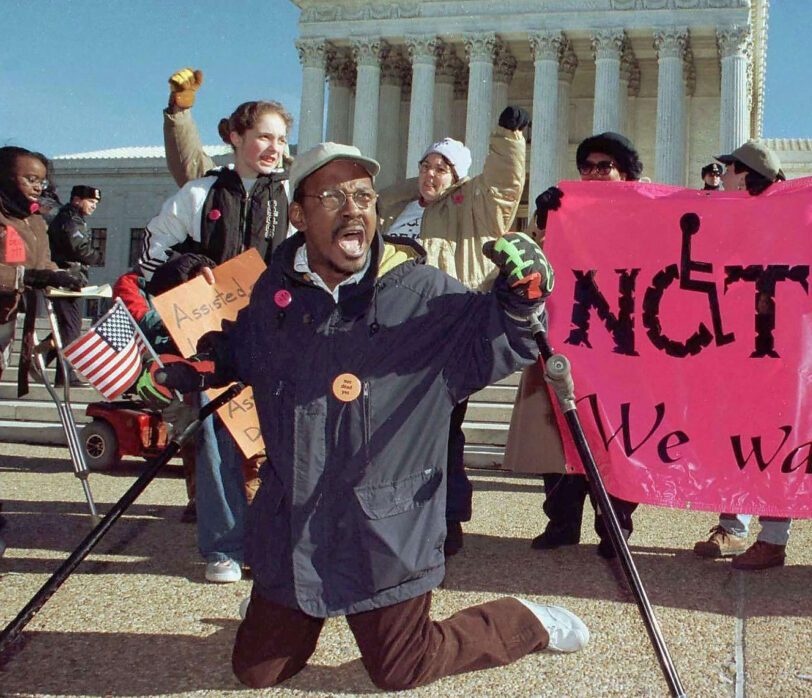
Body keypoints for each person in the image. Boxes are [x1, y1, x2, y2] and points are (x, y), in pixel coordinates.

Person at [156, 142, 587, 691]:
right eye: (332, 195)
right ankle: (288, 607)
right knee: (257, 672)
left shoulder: (420, 293)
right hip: (295, 528)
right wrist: (207, 362)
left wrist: (523, 301)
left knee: (401, 669)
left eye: (362, 194)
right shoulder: (273, 293)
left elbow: (499, 336)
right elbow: (248, 344)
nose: (353, 206)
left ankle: (526, 621)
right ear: (299, 213)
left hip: (384, 533)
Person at [140, 96, 294, 584]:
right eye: (264, 137)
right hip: (210, 337)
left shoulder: (295, 195)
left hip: (279, 334)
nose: (274, 148)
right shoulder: (198, 194)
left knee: (283, 439)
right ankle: (224, 547)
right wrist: (180, 266)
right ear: (236, 137)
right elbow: (151, 252)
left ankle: (275, 542)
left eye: (282, 139)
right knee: (215, 437)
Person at [373, 107, 530, 556]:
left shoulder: (472, 208)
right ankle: (394, 515)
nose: (430, 174)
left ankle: (447, 519)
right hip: (386, 335)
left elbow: (502, 186)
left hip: (440, 330)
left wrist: (508, 137)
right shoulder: (393, 206)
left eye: (441, 168)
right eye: (425, 165)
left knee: (442, 431)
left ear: (457, 177)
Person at [506, 132, 643, 559]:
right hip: (568, 338)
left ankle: (614, 525)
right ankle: (562, 521)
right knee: (559, 433)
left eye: (605, 166)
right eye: (587, 166)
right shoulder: (563, 212)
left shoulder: (646, 213)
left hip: (622, 344)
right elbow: (537, 263)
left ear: (624, 173)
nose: (595, 174)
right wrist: (544, 219)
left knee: (615, 436)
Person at [690, 141, 796, 568]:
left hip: (774, 351)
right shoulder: (724, 216)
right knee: (735, 440)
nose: (721, 174)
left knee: (771, 441)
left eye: (728, 167)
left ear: (745, 173)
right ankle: (734, 527)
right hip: (731, 346)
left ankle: (773, 536)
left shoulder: (786, 218)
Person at [0, 146, 86, 558]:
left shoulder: (34, 220)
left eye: (40, 179)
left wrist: (57, 274)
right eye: (27, 178)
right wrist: (27, 275)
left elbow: (43, 260)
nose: (37, 185)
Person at [46, 185, 103, 386]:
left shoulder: (71, 218)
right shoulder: (71, 220)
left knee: (64, 327)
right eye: (91, 202)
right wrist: (96, 255)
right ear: (77, 200)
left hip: (68, 278)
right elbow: (77, 247)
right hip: (67, 279)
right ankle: (65, 376)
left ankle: (44, 356)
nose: (94, 206)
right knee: (71, 328)